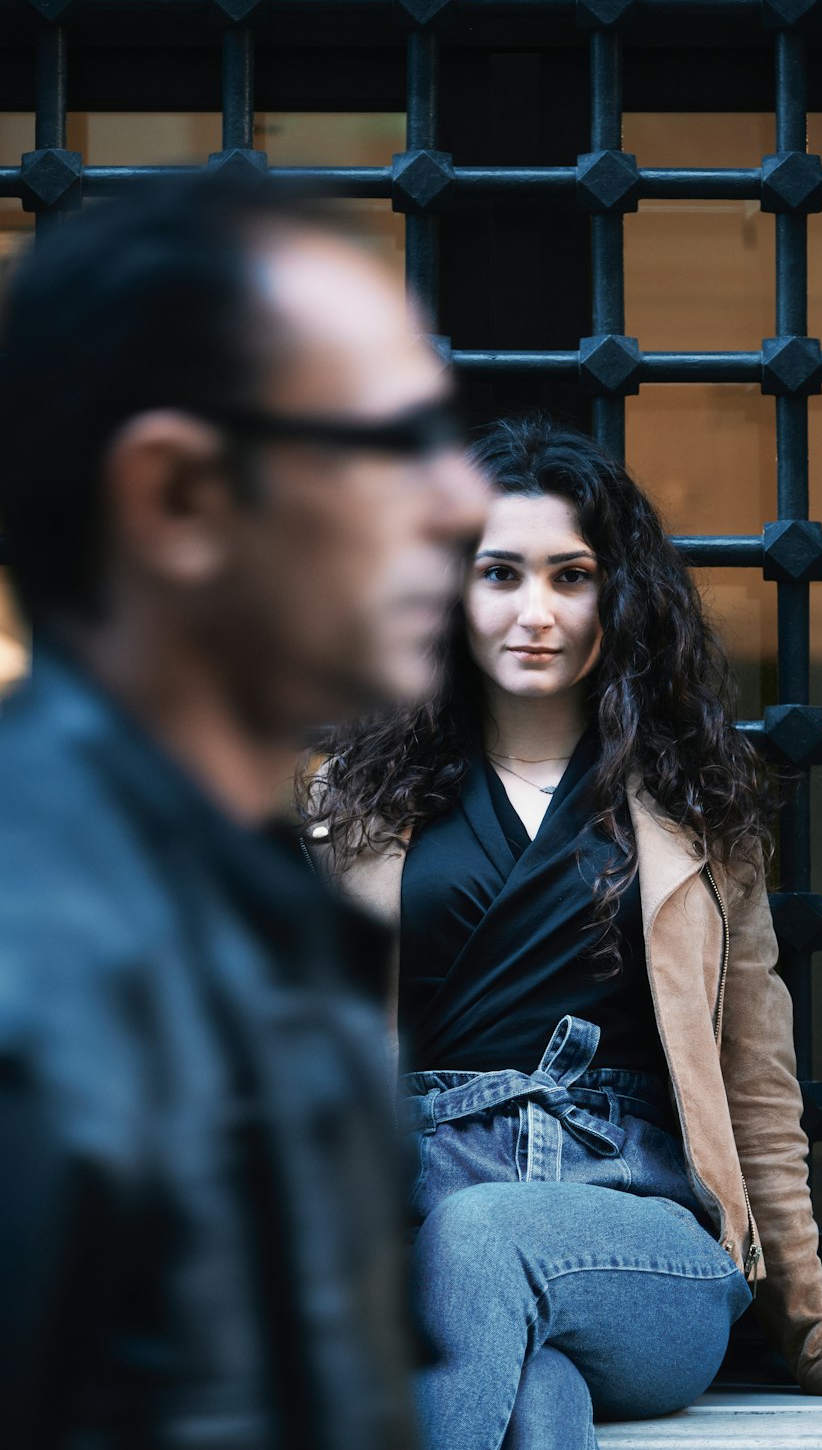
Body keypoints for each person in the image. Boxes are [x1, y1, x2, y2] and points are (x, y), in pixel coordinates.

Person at [308, 414, 822, 1450]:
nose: (533, 611)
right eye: (498, 574)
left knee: (484, 1237)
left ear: (615, 595)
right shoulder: (351, 804)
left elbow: (757, 1087)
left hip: (641, 1238)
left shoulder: (696, 816)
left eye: (569, 576)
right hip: (414, 1208)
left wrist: (819, 1338)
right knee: (533, 1395)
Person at [0, 177, 485, 1449]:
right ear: (179, 498)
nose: (458, 502)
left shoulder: (262, 932)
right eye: (395, 444)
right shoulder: (41, 988)